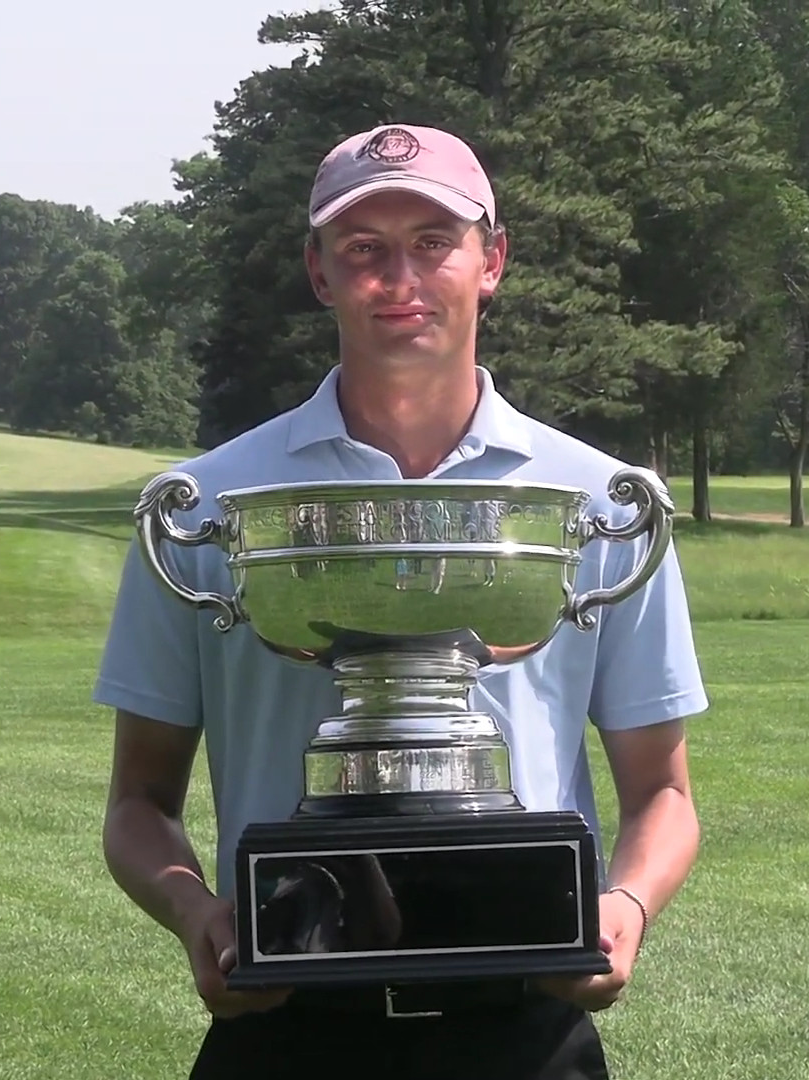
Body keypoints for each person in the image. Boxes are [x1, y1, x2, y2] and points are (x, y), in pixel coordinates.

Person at [95, 123, 708, 1080]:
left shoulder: (597, 504)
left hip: (526, 1028)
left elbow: (665, 793)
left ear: (491, 260)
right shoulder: (208, 508)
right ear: (319, 272)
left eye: (433, 242)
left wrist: (621, 908)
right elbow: (138, 802)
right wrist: (198, 914)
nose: (400, 279)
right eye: (365, 249)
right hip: (285, 1028)